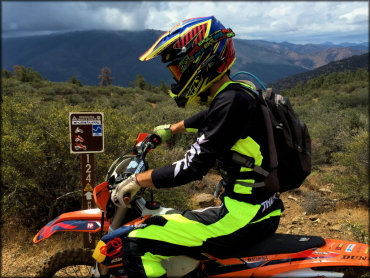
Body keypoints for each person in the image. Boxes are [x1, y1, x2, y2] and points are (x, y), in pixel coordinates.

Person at [111, 16, 284, 278]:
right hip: (259, 208)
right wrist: (171, 129)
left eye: (178, 70)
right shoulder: (237, 92)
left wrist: (137, 181)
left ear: (203, 62)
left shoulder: (231, 101)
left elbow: (192, 167)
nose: (176, 78)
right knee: (170, 221)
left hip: (243, 217)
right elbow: (210, 118)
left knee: (136, 243)